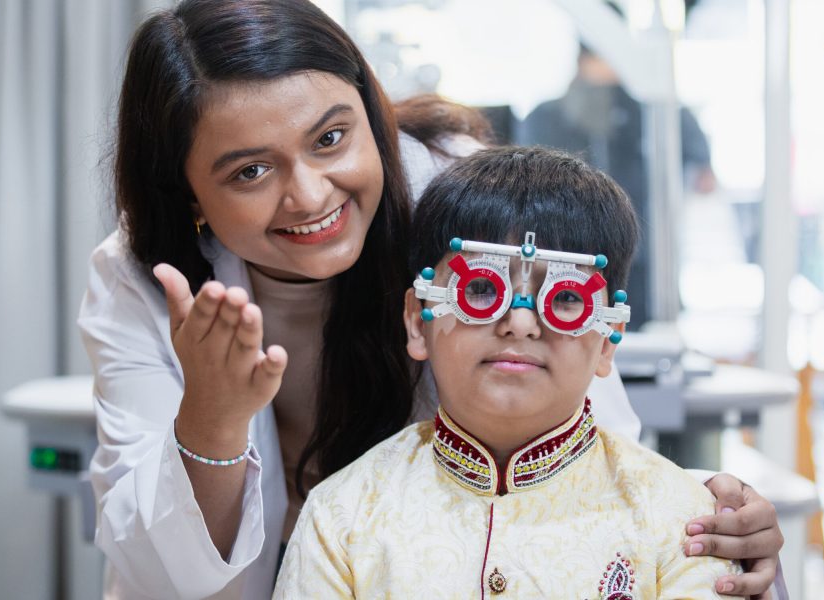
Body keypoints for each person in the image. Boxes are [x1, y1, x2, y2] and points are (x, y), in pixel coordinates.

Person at [77, 1, 783, 598]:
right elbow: (156, 565)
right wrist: (212, 418)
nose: (311, 195)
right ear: (189, 195)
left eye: (331, 137)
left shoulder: (465, 212)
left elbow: (597, 453)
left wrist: (707, 525)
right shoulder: (142, 277)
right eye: (251, 170)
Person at [274, 146, 740, 598]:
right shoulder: (343, 515)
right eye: (481, 288)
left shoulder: (680, 518)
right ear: (419, 321)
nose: (519, 322)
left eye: (565, 298)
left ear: (608, 338)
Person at [522, 34, 716, 329]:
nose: (604, 74)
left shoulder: (654, 113)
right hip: (564, 254)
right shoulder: (546, 116)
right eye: (598, 60)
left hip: (640, 261)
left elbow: (705, 179)